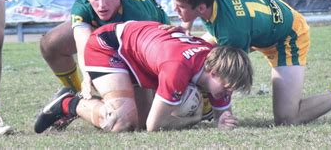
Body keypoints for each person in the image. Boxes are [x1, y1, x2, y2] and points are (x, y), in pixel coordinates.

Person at [169, 0, 331, 125]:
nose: (175, 10)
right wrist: (185, 24)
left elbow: (227, 80)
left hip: (287, 36)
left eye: (181, 8)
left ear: (202, 8)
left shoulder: (232, 32)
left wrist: (217, 110)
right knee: (192, 53)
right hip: (259, 25)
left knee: (287, 118)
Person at [31, 20, 253, 132]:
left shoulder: (215, 64)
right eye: (228, 87)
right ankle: (69, 102)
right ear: (212, 71)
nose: (229, 92)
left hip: (140, 55)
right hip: (108, 46)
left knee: (137, 123)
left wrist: (222, 120)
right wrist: (194, 119)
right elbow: (154, 126)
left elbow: (222, 115)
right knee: (122, 123)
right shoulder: (178, 68)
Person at [35, 0, 172, 133]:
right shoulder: (83, 6)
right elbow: (83, 43)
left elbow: (147, 64)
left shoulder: (137, 14)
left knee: (139, 124)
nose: (101, 5)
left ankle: (71, 104)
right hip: (106, 35)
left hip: (147, 46)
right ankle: (76, 95)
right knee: (51, 44)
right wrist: (87, 77)